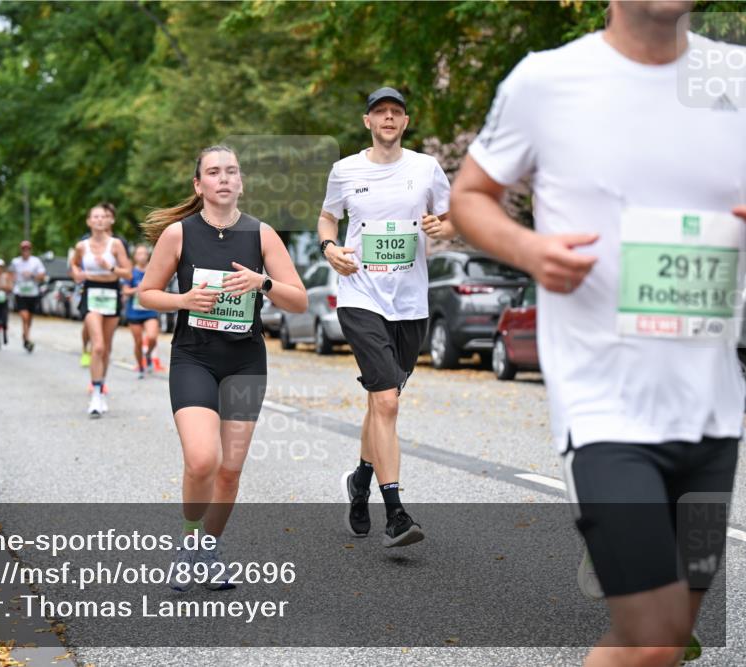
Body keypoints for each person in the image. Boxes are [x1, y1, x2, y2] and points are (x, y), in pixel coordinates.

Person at [449, 2, 745, 664]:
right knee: (655, 633)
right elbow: (469, 195)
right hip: (606, 410)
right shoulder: (548, 80)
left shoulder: (737, 78)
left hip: (714, 417)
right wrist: (529, 250)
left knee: (666, 642)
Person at [138, 145, 307, 590]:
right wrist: (183, 300)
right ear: (199, 185)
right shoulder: (179, 234)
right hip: (194, 355)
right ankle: (188, 544)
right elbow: (146, 294)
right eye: (214, 172)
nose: (224, 179)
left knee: (230, 470)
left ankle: (207, 553)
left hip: (246, 360)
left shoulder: (261, 234)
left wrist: (263, 282)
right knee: (202, 459)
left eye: (231, 171)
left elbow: (299, 298)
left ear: (241, 182)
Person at [318, 87, 458, 548]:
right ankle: (395, 512)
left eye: (396, 112)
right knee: (389, 403)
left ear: (405, 121)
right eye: (381, 112)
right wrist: (329, 248)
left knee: (381, 401)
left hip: (410, 303)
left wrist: (446, 225)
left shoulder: (426, 168)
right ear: (368, 122)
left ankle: (359, 480)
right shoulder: (345, 170)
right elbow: (327, 219)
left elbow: (453, 216)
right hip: (360, 295)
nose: (389, 119)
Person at [69, 202, 133, 417]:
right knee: (97, 347)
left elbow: (128, 274)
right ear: (88, 221)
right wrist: (77, 273)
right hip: (91, 295)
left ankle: (101, 386)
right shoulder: (82, 246)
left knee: (106, 348)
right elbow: (75, 266)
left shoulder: (115, 245)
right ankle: (96, 393)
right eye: (94, 217)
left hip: (111, 295)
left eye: (102, 217)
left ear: (108, 220)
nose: (98, 220)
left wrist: (110, 268)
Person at [123, 244, 164, 378]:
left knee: (152, 337)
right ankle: (140, 366)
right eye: (139, 253)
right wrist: (137, 290)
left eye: (144, 253)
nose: (142, 256)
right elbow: (125, 291)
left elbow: (159, 287)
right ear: (135, 256)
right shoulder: (130, 273)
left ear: (148, 256)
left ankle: (148, 355)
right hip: (134, 311)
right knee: (138, 342)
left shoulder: (152, 271)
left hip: (149, 310)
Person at [9, 240, 46, 352]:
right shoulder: (15, 262)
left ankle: (25, 334)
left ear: (30, 250)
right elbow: (10, 275)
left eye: (28, 249)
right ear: (21, 250)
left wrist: (32, 275)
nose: (25, 251)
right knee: (24, 316)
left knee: (29, 317)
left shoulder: (36, 261)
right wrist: (12, 281)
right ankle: (27, 337)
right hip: (20, 292)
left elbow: (42, 276)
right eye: (23, 249)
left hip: (32, 293)